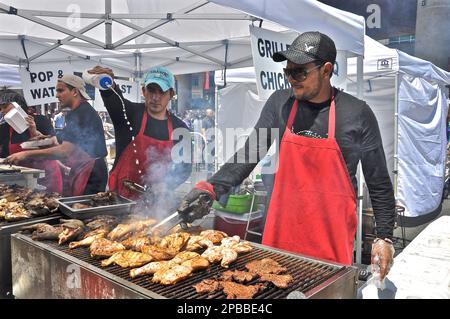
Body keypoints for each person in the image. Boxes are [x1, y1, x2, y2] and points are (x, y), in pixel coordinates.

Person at [177, 31, 396, 279]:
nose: (291, 79)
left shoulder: (357, 113)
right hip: (281, 239)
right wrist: (210, 187)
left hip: (331, 246)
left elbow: (378, 182)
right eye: (288, 72)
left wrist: (384, 236)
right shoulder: (281, 103)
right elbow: (251, 152)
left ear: (326, 70)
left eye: (299, 72)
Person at [88, 66, 192, 200]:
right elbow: (113, 99)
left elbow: (185, 168)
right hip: (119, 198)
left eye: (162, 92)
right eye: (151, 91)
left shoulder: (181, 129)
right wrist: (108, 84)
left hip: (157, 201)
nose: (155, 97)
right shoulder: (130, 113)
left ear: (171, 94)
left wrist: (166, 185)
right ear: (144, 91)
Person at [5, 75, 108, 196]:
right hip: (83, 169)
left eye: (61, 90)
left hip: (91, 171)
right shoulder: (75, 113)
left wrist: (25, 154)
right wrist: (37, 133)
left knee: (83, 211)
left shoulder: (82, 112)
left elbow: (65, 151)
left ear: (75, 92)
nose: (56, 95)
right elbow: (62, 142)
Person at [0, 90, 63, 193]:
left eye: (5, 106)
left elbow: (54, 147)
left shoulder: (41, 121)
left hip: (47, 177)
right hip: (22, 182)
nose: (2, 111)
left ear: (18, 105)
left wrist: (34, 132)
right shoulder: (4, 128)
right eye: (1, 108)